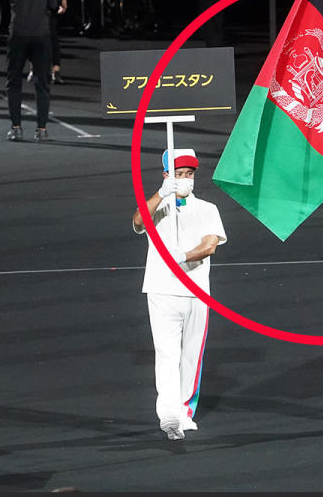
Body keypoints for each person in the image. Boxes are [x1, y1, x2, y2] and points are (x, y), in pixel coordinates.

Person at [132, 148, 226, 440]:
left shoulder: (208, 209)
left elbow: (210, 245)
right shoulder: (157, 207)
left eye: (189, 174)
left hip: (197, 293)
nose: (185, 179)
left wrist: (180, 256)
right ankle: (170, 413)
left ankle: (185, 412)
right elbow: (137, 221)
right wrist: (161, 194)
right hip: (162, 291)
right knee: (167, 353)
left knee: (191, 357)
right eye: (179, 174)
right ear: (166, 176)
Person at [0, 0, 59, 142]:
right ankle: (42, 129)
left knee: (14, 81)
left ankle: (16, 128)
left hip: (18, 34)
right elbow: (53, 4)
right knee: (42, 83)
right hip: (41, 34)